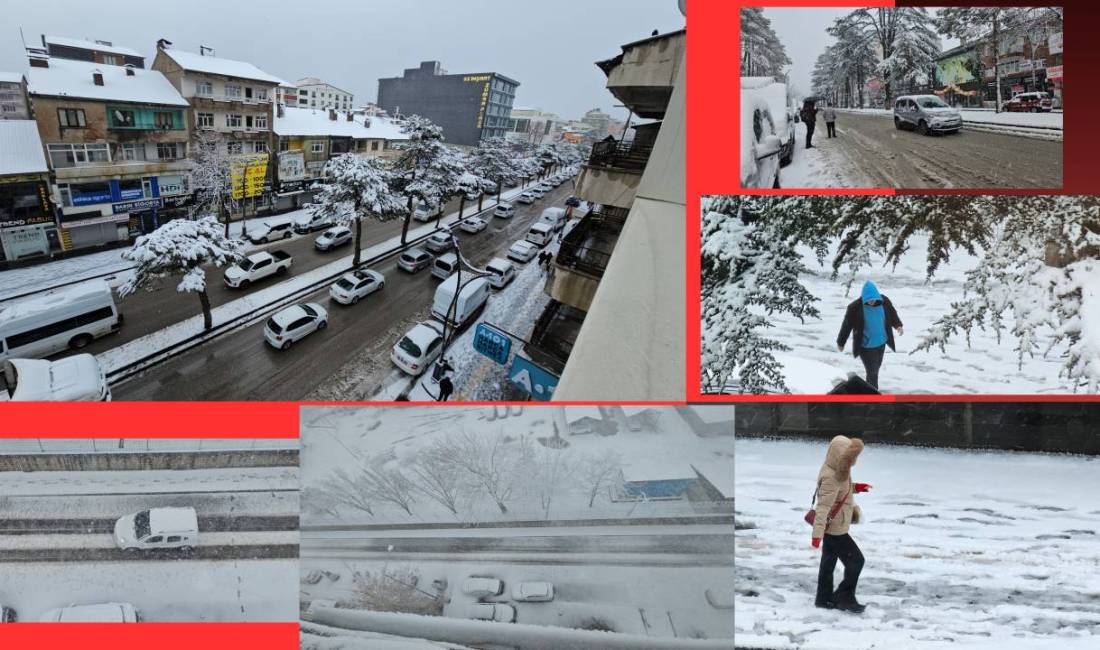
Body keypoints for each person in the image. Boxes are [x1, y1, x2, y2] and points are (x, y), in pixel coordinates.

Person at [811, 435, 872, 613]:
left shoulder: (838, 469)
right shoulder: (832, 476)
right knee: (857, 561)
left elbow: (842, 488)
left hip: (835, 527)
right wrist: (816, 535)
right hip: (836, 530)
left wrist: (857, 487)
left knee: (828, 563)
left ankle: (823, 599)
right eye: (850, 458)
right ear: (841, 456)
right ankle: (844, 597)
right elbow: (822, 508)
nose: (853, 462)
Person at [837, 281, 904, 390]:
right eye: (868, 299)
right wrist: (841, 342)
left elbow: (892, 314)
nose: (871, 301)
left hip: (881, 343)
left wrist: (898, 326)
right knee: (872, 373)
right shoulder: (855, 307)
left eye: (873, 299)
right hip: (866, 346)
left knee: (875, 370)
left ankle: (869, 392)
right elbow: (846, 325)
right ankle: (872, 395)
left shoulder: (884, 301)